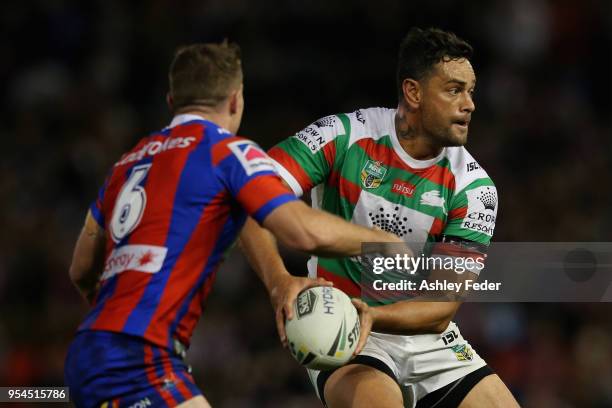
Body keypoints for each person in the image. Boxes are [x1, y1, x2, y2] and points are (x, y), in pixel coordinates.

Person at [64, 41, 403, 408]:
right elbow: (303, 231)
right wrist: (382, 240)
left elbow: (81, 269)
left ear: (171, 101)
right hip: (141, 358)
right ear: (236, 101)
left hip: (86, 354)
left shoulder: (126, 165)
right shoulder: (229, 153)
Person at [239, 28, 520, 407]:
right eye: (454, 90)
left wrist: (371, 313)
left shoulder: (475, 188)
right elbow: (249, 200)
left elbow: (440, 309)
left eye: (471, 91)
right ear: (414, 92)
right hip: (343, 328)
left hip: (422, 335)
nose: (469, 104)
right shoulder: (343, 136)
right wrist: (279, 283)